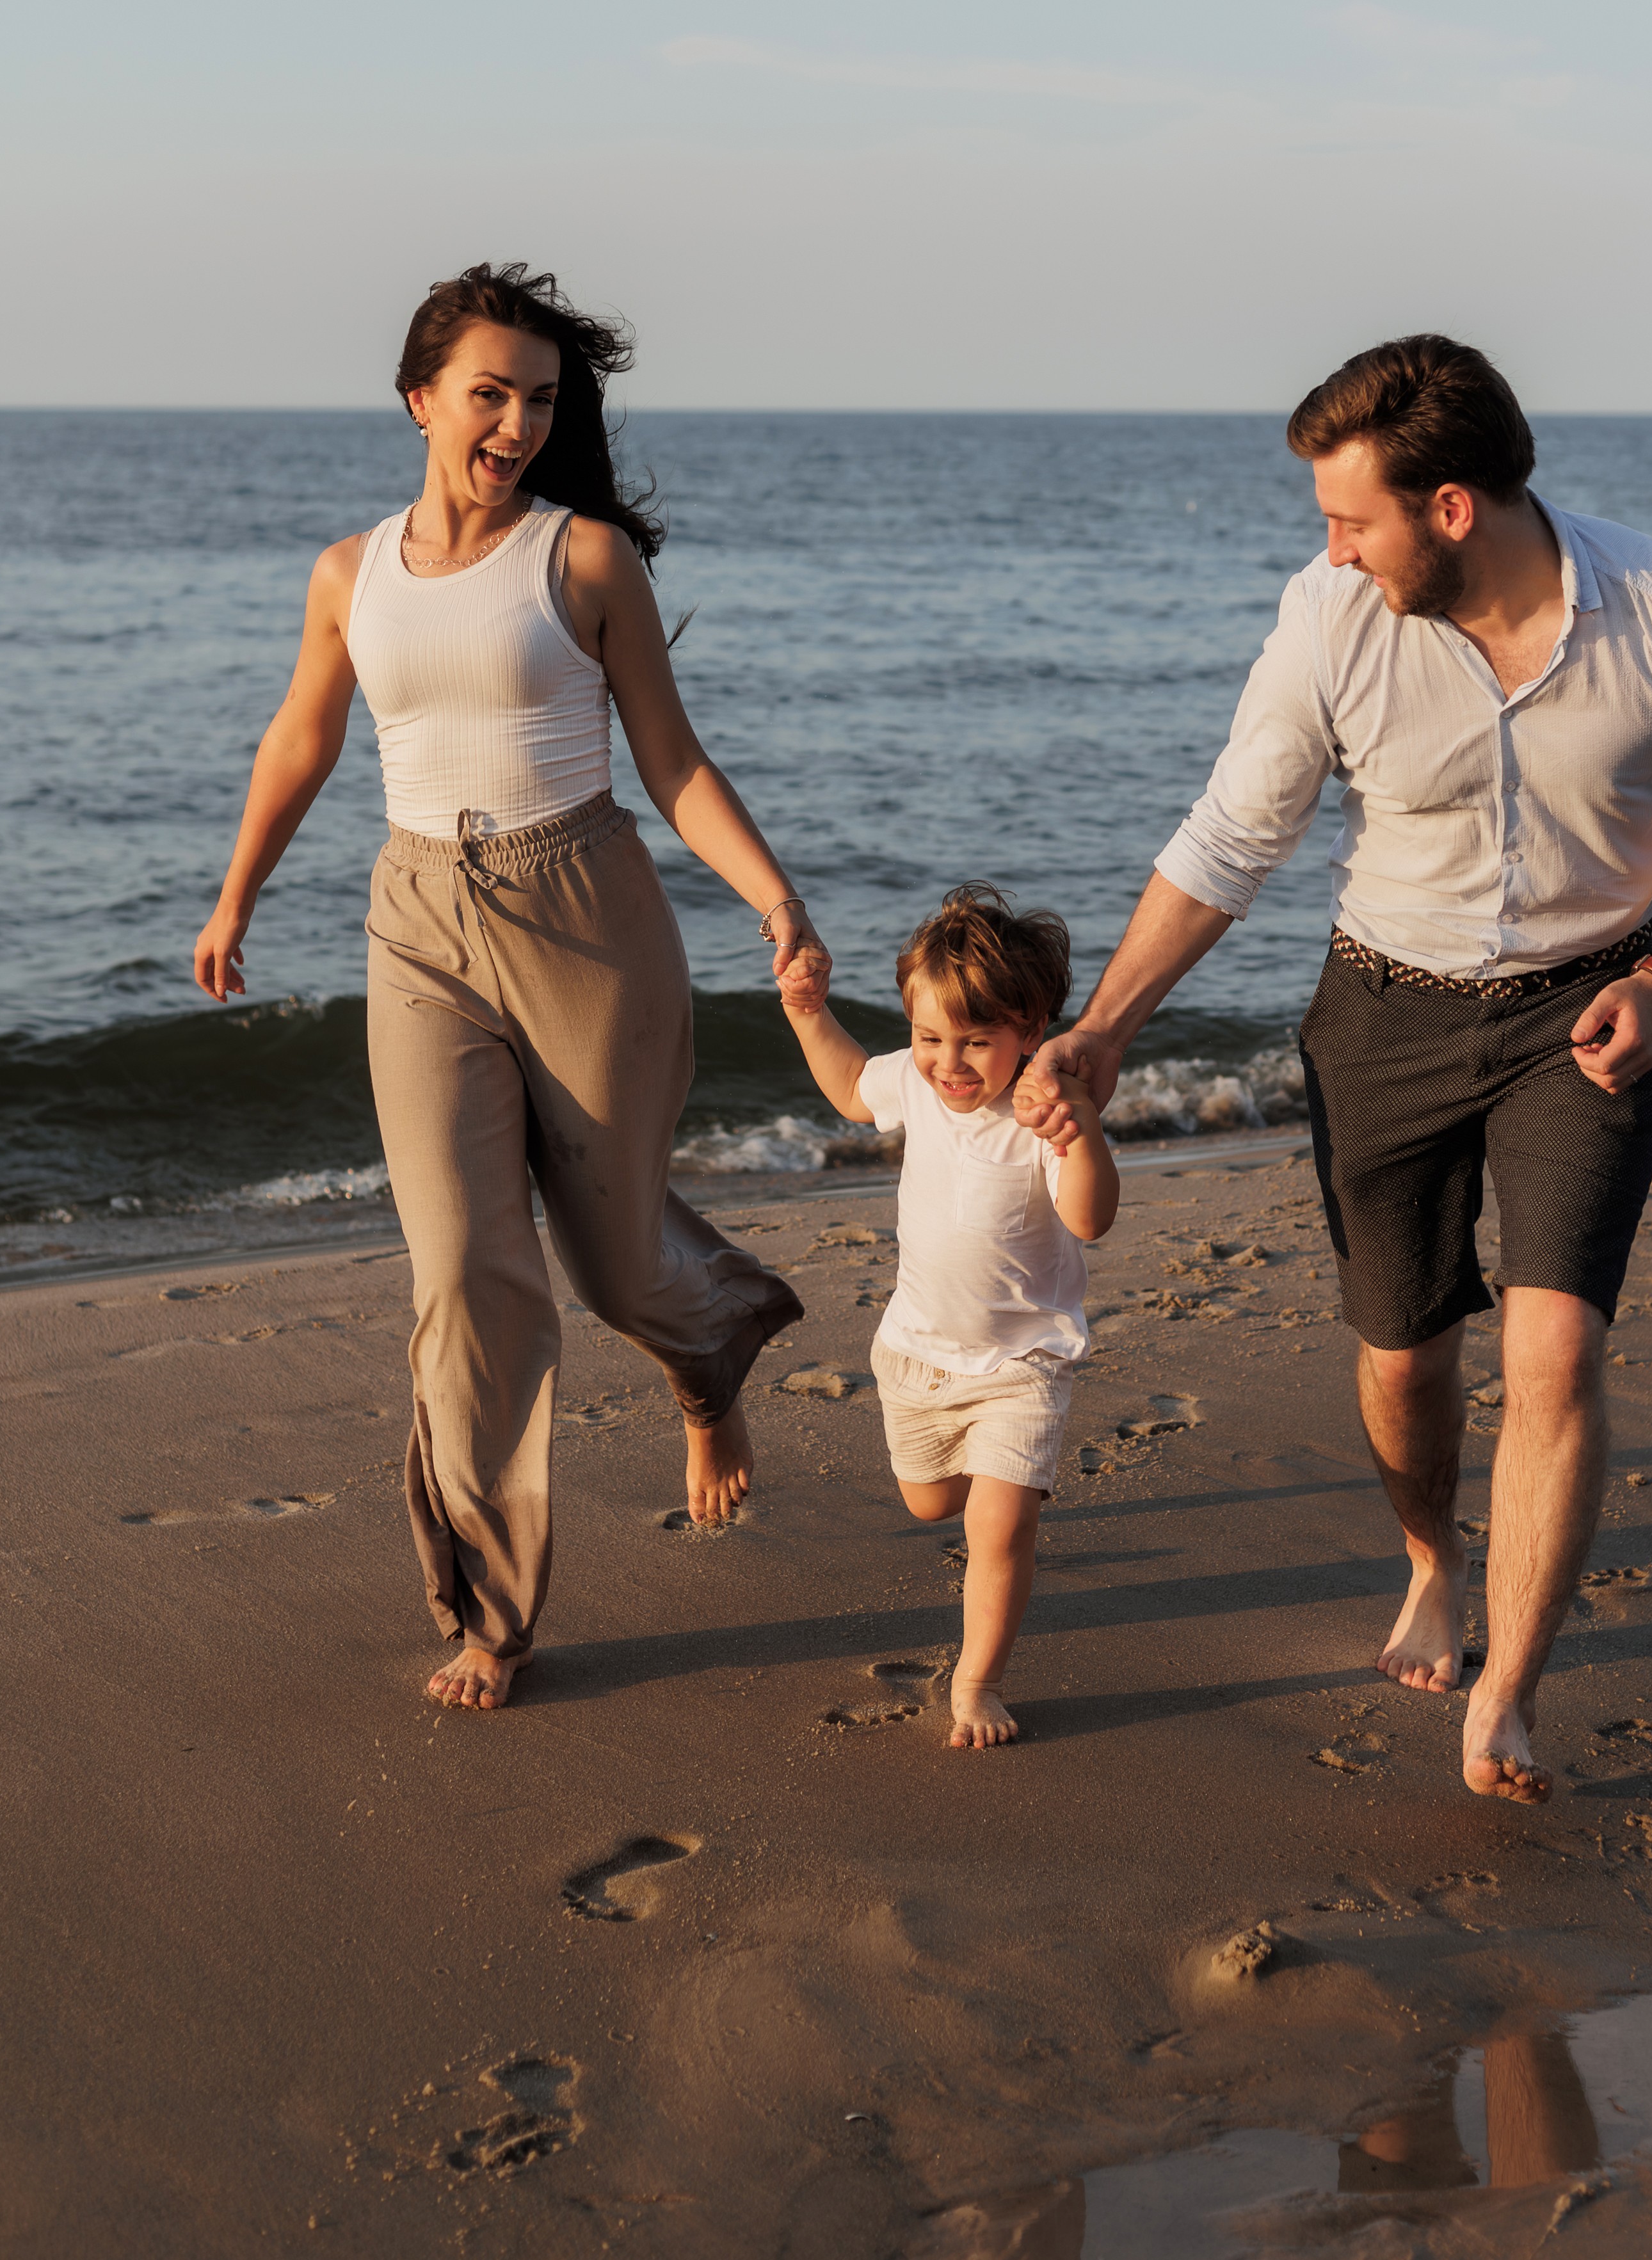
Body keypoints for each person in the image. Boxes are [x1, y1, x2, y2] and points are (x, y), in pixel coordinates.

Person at [1019, 334, 1652, 1802]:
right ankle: (1431, 1560)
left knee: (1553, 1347)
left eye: (1350, 518)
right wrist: (1106, 1027)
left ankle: (1506, 1693)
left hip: (1587, 1014)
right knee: (1402, 1353)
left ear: (1449, 507)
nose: (1329, 549)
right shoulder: (1329, 622)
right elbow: (1228, 840)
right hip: (1382, 1012)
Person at [193, 262, 826, 1710]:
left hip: (589, 911)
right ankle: (490, 1607)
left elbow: (670, 757)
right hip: (417, 919)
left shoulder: (585, 559)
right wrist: (238, 893)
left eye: (540, 398)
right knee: (469, 1274)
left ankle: (706, 1350)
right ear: (421, 399)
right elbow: (301, 738)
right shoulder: (350, 574)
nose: (518, 422)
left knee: (611, 1263)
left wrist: (774, 894)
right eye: (491, 393)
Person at [776, 884, 1119, 1749]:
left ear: (1031, 1029)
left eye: (976, 1039)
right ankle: (985, 1479)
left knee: (999, 1526)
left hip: (1021, 1364)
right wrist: (809, 1013)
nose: (948, 1060)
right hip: (919, 1354)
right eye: (930, 1037)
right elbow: (854, 1085)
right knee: (929, 1502)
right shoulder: (919, 1085)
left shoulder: (1040, 1111)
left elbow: (1091, 1218)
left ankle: (978, 1681)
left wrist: (1082, 1134)